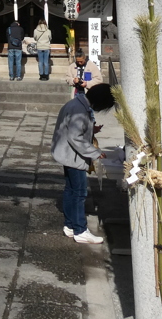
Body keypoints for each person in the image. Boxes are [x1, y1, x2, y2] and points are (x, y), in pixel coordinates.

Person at [51, 82, 115, 244]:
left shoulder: (77, 103)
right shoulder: (79, 109)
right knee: (79, 193)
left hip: (67, 154)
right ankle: (80, 229)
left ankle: (70, 225)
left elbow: (74, 129)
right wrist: (95, 153)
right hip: (73, 156)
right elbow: (76, 137)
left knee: (71, 191)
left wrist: (91, 130)